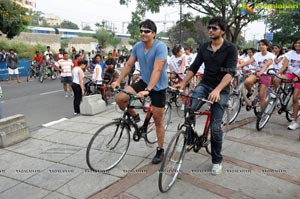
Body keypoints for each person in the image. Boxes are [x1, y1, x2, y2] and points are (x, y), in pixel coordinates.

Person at [176, 16, 237, 175]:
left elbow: (230, 73)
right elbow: (194, 67)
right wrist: (183, 83)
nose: (210, 30)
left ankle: (217, 160)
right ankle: (190, 138)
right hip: (205, 85)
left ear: (222, 31)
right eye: (209, 27)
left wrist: (217, 90)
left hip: (221, 89)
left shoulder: (230, 48)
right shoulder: (204, 47)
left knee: (216, 127)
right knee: (189, 107)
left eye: (214, 28)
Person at [112, 19, 168, 164]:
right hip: (144, 81)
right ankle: (135, 116)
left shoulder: (160, 47)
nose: (143, 33)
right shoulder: (138, 46)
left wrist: (148, 90)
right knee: (120, 98)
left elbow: (157, 69)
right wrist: (119, 80)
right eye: (141, 31)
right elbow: (129, 64)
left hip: (158, 86)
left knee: (158, 120)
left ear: (154, 34)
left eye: (147, 31)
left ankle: (160, 150)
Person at [237, 39, 275, 109]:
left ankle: (262, 113)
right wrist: (238, 66)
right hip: (257, 73)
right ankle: (250, 93)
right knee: (247, 82)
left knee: (261, 96)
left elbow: (266, 65)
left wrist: (261, 72)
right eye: (259, 45)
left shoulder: (271, 55)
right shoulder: (257, 54)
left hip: (266, 74)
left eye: (263, 45)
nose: (261, 46)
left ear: (267, 46)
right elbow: (248, 62)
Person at [273, 38, 300, 130]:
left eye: (299, 43)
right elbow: (284, 66)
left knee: (295, 99)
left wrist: (298, 77)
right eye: (296, 43)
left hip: (299, 77)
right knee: (276, 79)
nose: (297, 45)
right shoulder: (290, 53)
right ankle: (275, 97)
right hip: (290, 74)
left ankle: (295, 121)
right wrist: (278, 73)